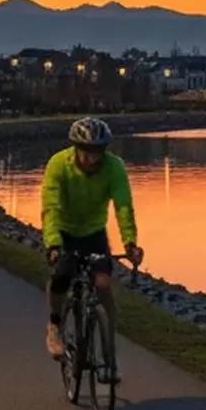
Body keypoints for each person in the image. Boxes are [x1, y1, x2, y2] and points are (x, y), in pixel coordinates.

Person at [42, 116, 141, 382]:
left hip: (94, 232)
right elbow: (51, 207)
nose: (93, 159)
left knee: (104, 286)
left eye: (98, 153)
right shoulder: (58, 165)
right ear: (75, 148)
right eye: (87, 153)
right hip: (63, 230)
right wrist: (53, 244)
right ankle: (54, 326)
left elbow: (123, 207)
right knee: (62, 275)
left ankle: (110, 357)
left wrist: (130, 243)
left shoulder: (115, 167)